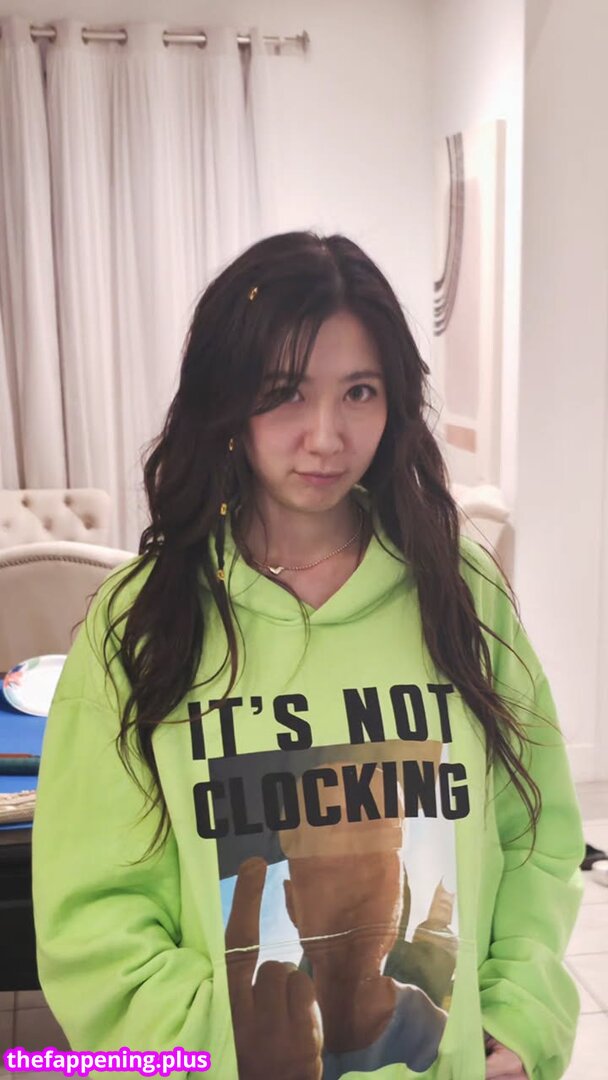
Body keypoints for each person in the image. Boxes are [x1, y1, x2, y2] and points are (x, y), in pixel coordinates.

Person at [32, 231, 585, 1080]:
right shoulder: (144, 622)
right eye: (284, 393)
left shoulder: (459, 591)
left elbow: (536, 834)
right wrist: (236, 1050)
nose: (326, 437)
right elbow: (93, 920)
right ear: (227, 404)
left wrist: (520, 1017)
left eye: (359, 392)